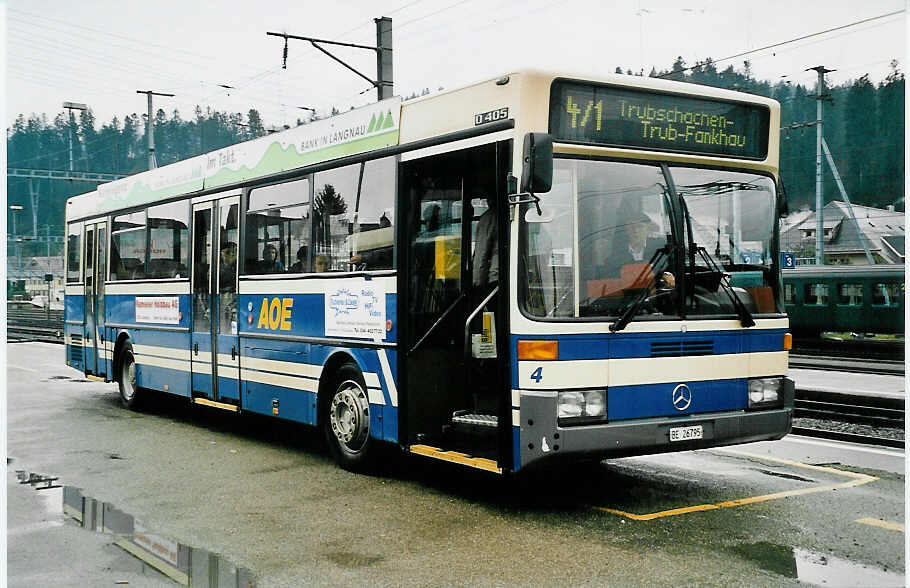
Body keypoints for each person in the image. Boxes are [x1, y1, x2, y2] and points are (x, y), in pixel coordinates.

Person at [472, 196, 498, 290]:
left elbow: (481, 252)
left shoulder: (488, 218)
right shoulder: (510, 214)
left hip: (494, 278)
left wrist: (477, 283)